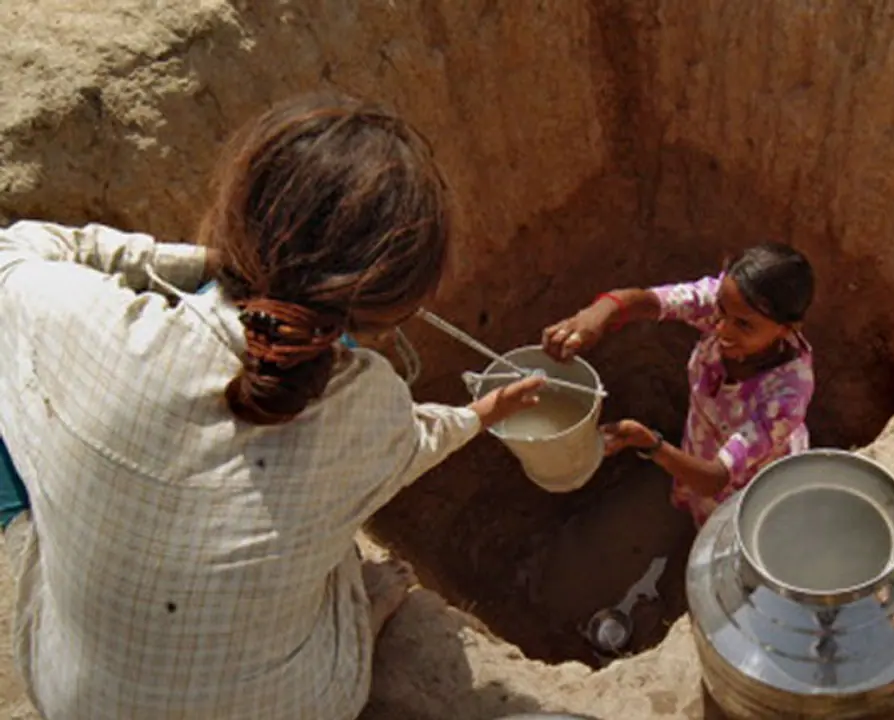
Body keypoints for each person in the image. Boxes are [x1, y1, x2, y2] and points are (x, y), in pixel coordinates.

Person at [0, 92, 543, 720]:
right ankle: (358, 622)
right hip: (289, 707)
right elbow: (415, 443)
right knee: (330, 531)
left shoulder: (81, 324)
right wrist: (480, 416)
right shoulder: (366, 405)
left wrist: (193, 262)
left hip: (78, 700)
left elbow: (14, 250)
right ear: (387, 308)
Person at [542, 243, 816, 527]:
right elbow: (652, 301)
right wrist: (598, 313)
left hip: (743, 484)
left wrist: (651, 445)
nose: (722, 329)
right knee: (695, 510)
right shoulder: (731, 302)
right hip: (700, 443)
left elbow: (715, 478)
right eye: (721, 311)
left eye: (744, 326)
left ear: (788, 328)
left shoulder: (785, 397)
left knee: (722, 540)